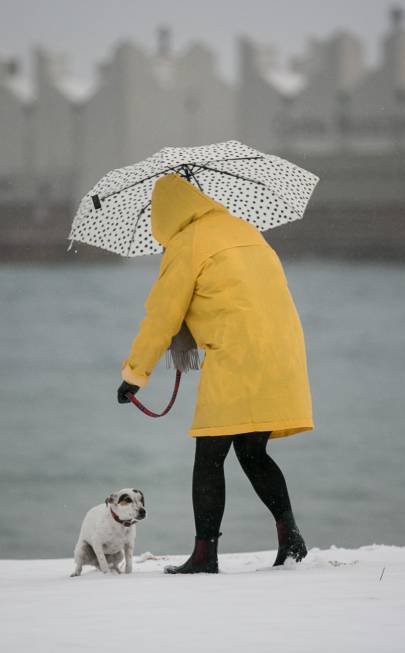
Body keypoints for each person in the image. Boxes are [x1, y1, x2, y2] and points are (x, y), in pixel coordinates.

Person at [117, 173, 313, 574]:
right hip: (284, 349)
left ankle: (205, 555)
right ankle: (289, 533)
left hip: (238, 354)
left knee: (209, 455)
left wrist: (135, 375)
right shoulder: (245, 229)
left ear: (165, 214)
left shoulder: (186, 243)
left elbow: (162, 316)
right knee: (252, 451)